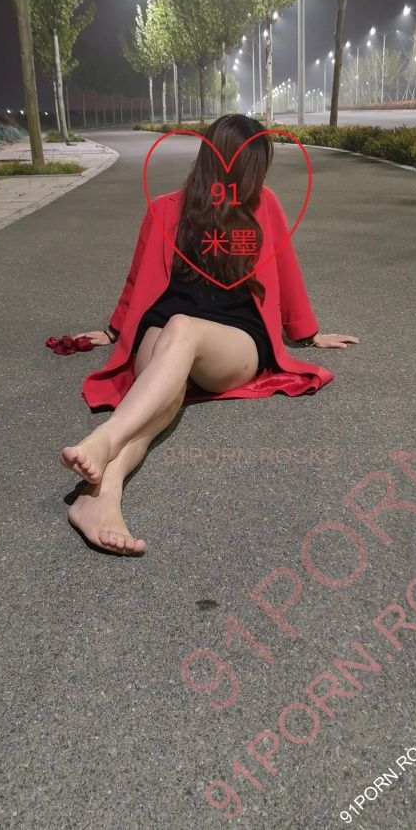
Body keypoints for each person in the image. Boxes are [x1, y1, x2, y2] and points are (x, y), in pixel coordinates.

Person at [60, 114, 359, 556]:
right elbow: (136, 280)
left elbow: (287, 273)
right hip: (163, 332)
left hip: (233, 340)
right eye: (255, 166)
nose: (258, 178)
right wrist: (113, 330)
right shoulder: (165, 209)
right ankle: (101, 495)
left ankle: (107, 437)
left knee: (182, 331)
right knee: (167, 386)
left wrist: (309, 334)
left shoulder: (265, 206)